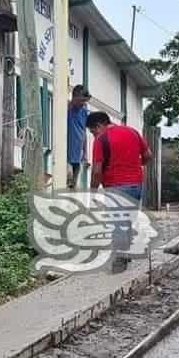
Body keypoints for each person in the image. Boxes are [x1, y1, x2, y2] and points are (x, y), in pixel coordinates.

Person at [87, 111, 152, 272]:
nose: (93, 135)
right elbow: (148, 156)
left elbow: (96, 171)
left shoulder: (101, 139)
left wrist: (92, 192)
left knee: (117, 223)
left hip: (116, 185)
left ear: (99, 125)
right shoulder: (132, 132)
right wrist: (135, 163)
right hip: (137, 185)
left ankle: (120, 262)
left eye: (92, 131)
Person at [67, 85, 91, 189]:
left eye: (85, 101)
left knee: (74, 186)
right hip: (65, 155)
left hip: (78, 156)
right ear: (74, 97)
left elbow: (84, 132)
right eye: (81, 100)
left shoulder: (84, 111)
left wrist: (85, 153)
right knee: (65, 183)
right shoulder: (66, 108)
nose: (83, 103)